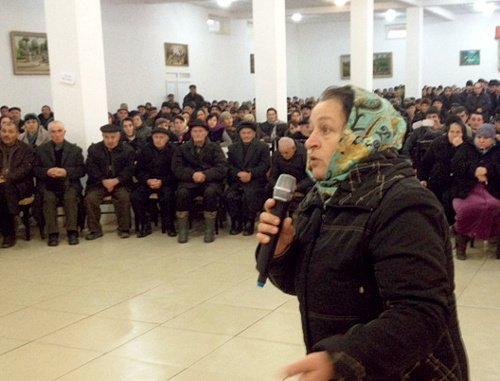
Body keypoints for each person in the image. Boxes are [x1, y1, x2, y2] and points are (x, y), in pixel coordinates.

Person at [256, 85, 468, 381]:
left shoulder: (405, 203)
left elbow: (420, 315)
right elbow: (307, 284)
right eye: (310, 130)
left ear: (365, 133)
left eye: (326, 130)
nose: (310, 142)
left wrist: (341, 359)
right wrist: (282, 250)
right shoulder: (321, 196)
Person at [172, 119, 227, 243]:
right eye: (195, 131)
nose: (197, 134)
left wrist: (204, 174)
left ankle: (209, 229)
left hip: (209, 181)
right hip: (189, 181)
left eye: (200, 131)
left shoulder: (215, 148)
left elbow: (221, 168)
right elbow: (177, 168)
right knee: (182, 193)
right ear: (190, 133)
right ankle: (183, 230)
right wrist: (193, 175)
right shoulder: (182, 149)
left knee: (210, 193)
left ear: (206, 133)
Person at [451, 123, 500, 260]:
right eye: (479, 137)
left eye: (486, 137)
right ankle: (461, 236)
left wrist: (488, 171)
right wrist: (474, 170)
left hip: (492, 189)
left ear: (492, 139)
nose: (482, 140)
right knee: (468, 208)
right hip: (467, 189)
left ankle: (490, 238)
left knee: (493, 206)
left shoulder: (497, 150)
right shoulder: (466, 148)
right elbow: (456, 165)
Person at [33, 121, 85, 246]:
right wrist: (47, 171)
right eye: (53, 131)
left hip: (69, 184)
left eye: (59, 131)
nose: (56, 134)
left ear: (64, 132)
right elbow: (35, 170)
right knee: (48, 198)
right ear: (49, 133)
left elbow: (81, 170)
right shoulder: (40, 150)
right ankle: (52, 233)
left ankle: (72, 231)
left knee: (70, 197)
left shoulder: (75, 150)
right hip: (48, 184)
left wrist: (65, 171)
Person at [84, 124, 136, 240]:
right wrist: (103, 181)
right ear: (103, 136)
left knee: (123, 197)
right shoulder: (94, 149)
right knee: (90, 199)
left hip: (120, 183)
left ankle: (124, 228)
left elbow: (129, 169)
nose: (110, 140)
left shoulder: (127, 150)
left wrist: (116, 180)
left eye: (113, 137)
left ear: (118, 137)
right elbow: (90, 167)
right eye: (106, 137)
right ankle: (95, 229)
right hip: (99, 183)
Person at [419, 116, 468, 225]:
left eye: (458, 132)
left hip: (457, 182)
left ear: (463, 134)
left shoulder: (467, 146)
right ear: (447, 132)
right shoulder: (438, 143)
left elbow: (465, 167)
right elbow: (426, 162)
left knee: (449, 200)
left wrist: (459, 148)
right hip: (437, 180)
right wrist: (423, 178)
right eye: (452, 132)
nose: (455, 135)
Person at [225, 121, 270, 235]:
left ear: (254, 133)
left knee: (249, 194)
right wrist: (238, 173)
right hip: (238, 179)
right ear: (239, 134)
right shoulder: (233, 147)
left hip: (256, 180)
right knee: (231, 196)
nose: (246, 135)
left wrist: (251, 174)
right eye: (243, 133)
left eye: (248, 133)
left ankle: (249, 221)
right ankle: (236, 222)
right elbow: (229, 166)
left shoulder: (262, 147)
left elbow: (264, 165)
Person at [132, 127, 177, 237]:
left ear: (167, 139)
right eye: (156, 137)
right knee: (135, 196)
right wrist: (147, 180)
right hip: (148, 181)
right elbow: (138, 170)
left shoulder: (173, 151)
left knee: (168, 196)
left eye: (161, 137)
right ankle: (145, 224)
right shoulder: (145, 150)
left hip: (166, 182)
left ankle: (169, 224)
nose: (158, 140)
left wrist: (162, 181)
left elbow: (176, 171)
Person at [0, 121, 33, 248]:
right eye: (3, 131)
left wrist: (5, 178)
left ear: (17, 134)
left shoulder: (26, 149)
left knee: (5, 188)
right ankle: (14, 216)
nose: (6, 135)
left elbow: (25, 169)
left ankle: (9, 233)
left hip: (21, 185)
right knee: (3, 190)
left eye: (10, 132)